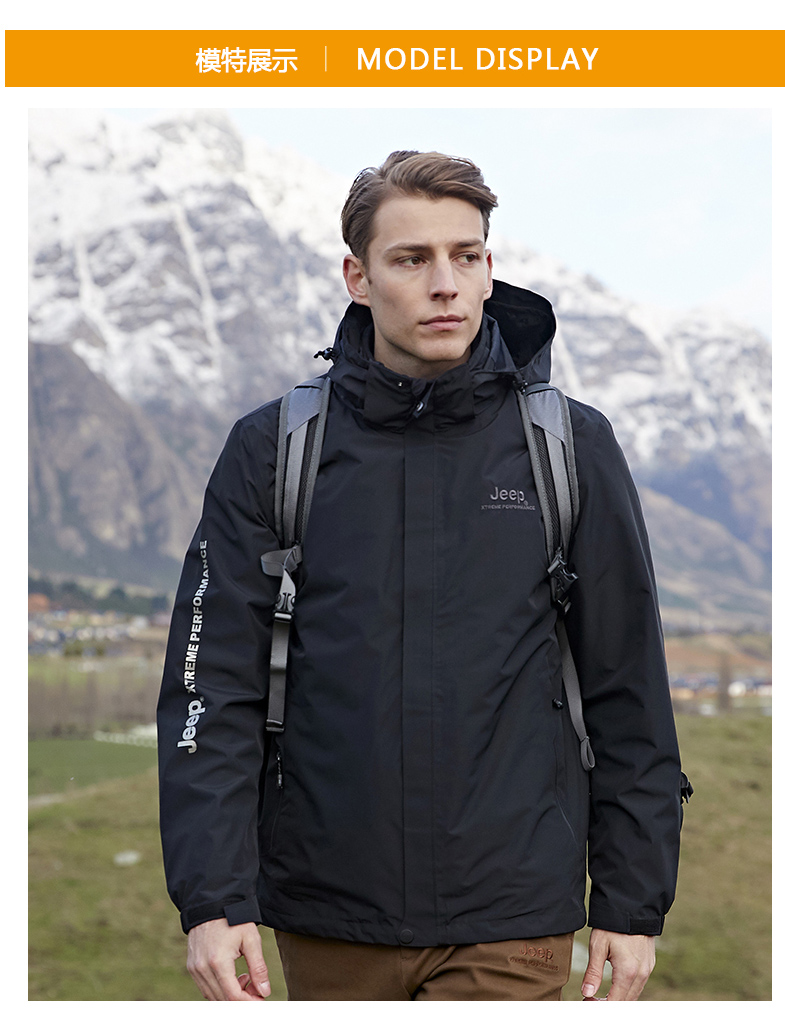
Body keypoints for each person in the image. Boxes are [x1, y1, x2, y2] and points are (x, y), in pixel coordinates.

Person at [157, 150, 684, 1002]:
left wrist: (633, 900)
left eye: (465, 256)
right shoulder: (274, 450)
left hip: (514, 916)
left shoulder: (569, 447)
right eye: (412, 259)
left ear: (488, 268)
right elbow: (210, 689)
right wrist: (212, 897)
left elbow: (630, 689)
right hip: (328, 913)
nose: (446, 285)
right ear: (358, 278)